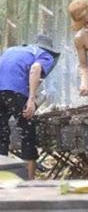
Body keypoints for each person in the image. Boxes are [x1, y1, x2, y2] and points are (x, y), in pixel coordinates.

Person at [0, 34, 60, 179]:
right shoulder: (45, 55)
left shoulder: (13, 50)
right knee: (28, 133)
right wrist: (31, 99)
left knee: (1, 135)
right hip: (15, 91)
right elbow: (35, 69)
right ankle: (29, 181)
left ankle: (2, 180)